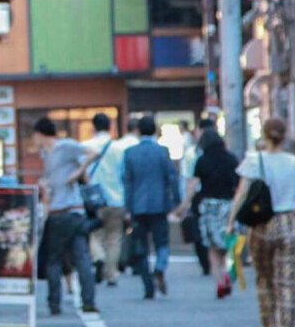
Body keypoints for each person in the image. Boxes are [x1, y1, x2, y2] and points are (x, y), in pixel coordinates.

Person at [229, 118, 295, 327]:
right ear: (285, 136)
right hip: (289, 223)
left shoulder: (255, 160)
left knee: (265, 279)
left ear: (264, 135)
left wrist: (231, 222)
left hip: (262, 225)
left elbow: (242, 193)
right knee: (287, 281)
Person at [33, 117, 99, 315]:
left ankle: (55, 304)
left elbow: (94, 153)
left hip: (64, 211)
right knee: (81, 257)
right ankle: (88, 302)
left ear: (40, 134)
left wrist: (78, 172)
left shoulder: (66, 146)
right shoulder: (45, 154)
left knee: (55, 259)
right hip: (70, 211)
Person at [176, 127, 239, 298]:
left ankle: (219, 282)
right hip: (228, 206)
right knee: (227, 244)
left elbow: (193, 185)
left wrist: (184, 205)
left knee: (212, 246)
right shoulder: (231, 159)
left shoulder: (202, 161)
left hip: (208, 207)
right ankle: (227, 274)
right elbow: (239, 185)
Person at [122, 115, 181, 299]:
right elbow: (172, 177)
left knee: (141, 246)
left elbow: (127, 182)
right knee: (162, 242)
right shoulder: (162, 151)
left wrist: (127, 207)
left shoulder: (130, 153)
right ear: (155, 130)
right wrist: (177, 201)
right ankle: (160, 267)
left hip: (138, 206)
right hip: (159, 204)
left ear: (138, 130)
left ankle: (148, 285)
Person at [81, 112, 128, 286]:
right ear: (110, 127)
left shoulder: (85, 146)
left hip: (94, 200)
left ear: (93, 127)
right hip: (117, 199)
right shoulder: (119, 149)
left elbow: (82, 172)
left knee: (94, 234)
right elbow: (124, 175)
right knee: (114, 237)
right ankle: (111, 273)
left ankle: (98, 257)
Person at [180, 117, 219, 275]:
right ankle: (216, 260)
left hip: (199, 195)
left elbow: (189, 179)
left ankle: (206, 262)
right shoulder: (223, 152)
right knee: (216, 228)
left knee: (200, 229)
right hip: (218, 195)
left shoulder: (192, 153)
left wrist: (185, 202)